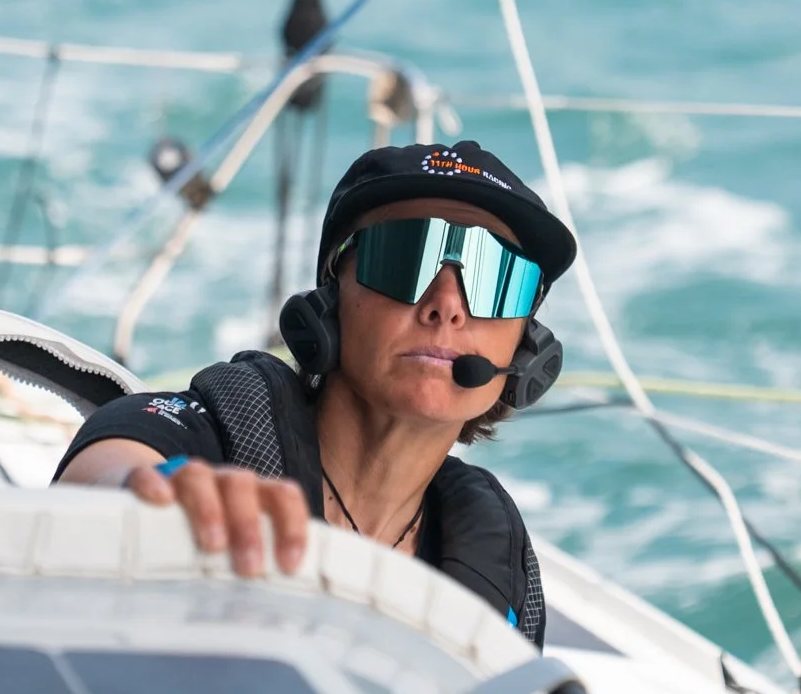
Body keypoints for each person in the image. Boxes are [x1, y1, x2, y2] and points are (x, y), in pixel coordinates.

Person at [54, 140, 574, 646]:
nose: (446, 306)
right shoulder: (208, 437)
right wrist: (162, 494)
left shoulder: (503, 571)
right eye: (405, 258)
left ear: (527, 344)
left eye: (494, 277)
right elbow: (106, 471)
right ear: (330, 299)